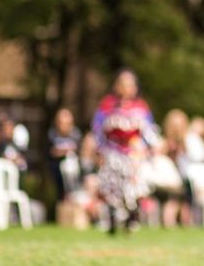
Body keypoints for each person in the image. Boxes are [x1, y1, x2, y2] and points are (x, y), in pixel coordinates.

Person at [92, 68, 158, 234]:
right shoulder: (107, 106)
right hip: (112, 153)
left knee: (133, 187)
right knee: (112, 186)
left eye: (130, 85)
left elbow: (149, 132)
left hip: (133, 154)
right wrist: (99, 151)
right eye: (122, 84)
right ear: (116, 86)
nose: (126, 88)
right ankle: (113, 218)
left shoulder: (141, 107)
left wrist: (145, 148)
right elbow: (98, 131)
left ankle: (132, 216)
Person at [48, 108, 82, 200]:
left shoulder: (76, 134)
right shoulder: (52, 134)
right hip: (57, 171)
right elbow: (52, 152)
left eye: (67, 123)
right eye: (62, 123)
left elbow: (79, 151)